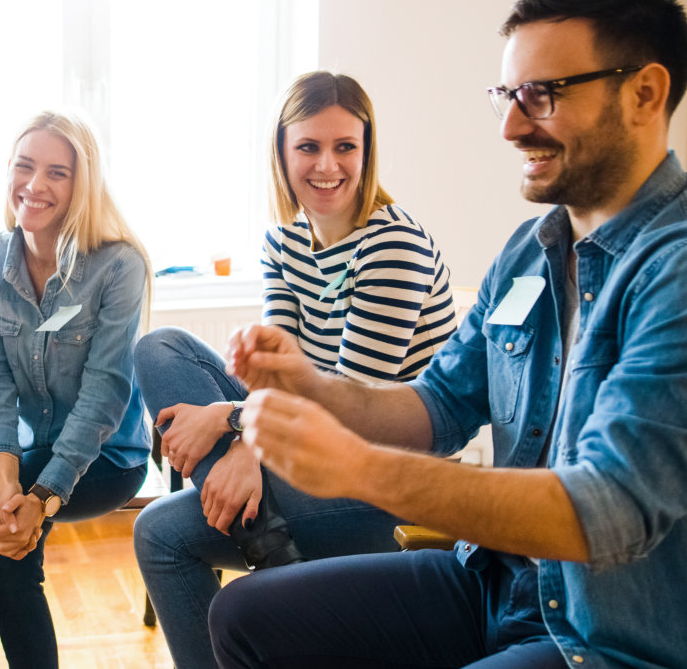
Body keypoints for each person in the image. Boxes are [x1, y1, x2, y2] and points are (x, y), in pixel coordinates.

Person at [211, 0, 687, 669]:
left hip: (636, 643)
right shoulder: (535, 250)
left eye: (541, 96)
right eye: (506, 95)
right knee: (246, 617)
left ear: (645, 93)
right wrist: (311, 384)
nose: (510, 125)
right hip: (510, 587)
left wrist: (359, 469)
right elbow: (437, 405)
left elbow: (608, 511)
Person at [130, 72, 459, 669]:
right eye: (308, 147)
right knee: (159, 348)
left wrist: (234, 429)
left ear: (367, 151)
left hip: (384, 478)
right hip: (312, 448)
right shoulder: (284, 240)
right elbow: (271, 366)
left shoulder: (393, 246)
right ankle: (277, 555)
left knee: (161, 532)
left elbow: (352, 403)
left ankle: (278, 564)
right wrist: (243, 434)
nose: (326, 165)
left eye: (345, 147)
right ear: (282, 153)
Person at [0, 111, 152, 669]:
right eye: (25, 166)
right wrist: (12, 483)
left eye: (57, 173)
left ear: (82, 185)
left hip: (106, 456)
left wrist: (41, 497)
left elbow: (106, 393)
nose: (35, 186)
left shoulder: (117, 266)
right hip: (33, 456)